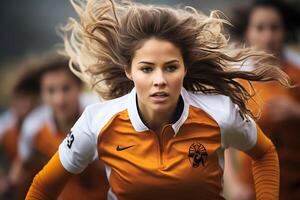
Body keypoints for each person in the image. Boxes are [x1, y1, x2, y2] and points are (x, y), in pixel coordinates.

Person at [26, 0, 291, 199]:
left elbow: (265, 154)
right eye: (147, 68)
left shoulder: (220, 112)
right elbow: (42, 187)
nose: (159, 80)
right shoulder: (97, 122)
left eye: (171, 67)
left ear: (185, 68)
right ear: (128, 71)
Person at [226, 0, 300, 199]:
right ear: (248, 32)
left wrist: (296, 112)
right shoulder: (237, 80)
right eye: (260, 28)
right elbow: (223, 138)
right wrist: (233, 184)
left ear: (285, 32)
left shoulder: (297, 73)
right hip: (252, 187)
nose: (268, 36)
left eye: (275, 28)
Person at [13, 53, 108, 199]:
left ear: (80, 87)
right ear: (41, 93)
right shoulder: (33, 128)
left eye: (66, 88)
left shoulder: (103, 114)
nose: (59, 99)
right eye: (51, 91)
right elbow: (22, 170)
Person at [0, 62, 40, 199]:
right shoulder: (5, 127)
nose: (28, 103)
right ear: (13, 98)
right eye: (23, 97)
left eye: (33, 98)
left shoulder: (46, 125)